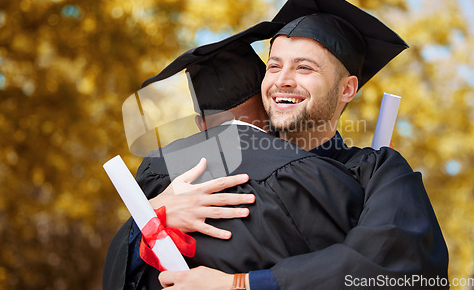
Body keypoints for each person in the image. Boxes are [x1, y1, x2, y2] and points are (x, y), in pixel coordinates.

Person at [155, 0, 449, 289]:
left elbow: (400, 265)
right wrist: (152, 213)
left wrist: (240, 285)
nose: (283, 80)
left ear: (347, 89)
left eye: (304, 68)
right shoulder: (214, 167)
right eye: (273, 66)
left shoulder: (376, 172)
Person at [103, 21, 366, 290]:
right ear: (271, 106)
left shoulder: (156, 176)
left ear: (201, 124)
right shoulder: (318, 175)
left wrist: (151, 219)